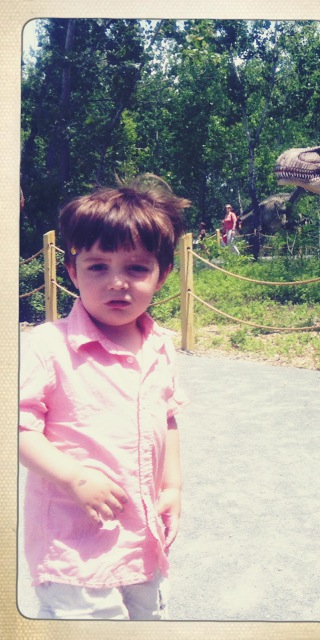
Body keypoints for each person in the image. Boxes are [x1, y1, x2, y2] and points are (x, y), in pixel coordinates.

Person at [19, 174, 191, 620]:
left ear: (162, 275)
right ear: (72, 271)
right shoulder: (49, 346)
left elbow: (168, 418)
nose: (117, 282)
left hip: (142, 539)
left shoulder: (160, 345)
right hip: (73, 546)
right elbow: (17, 429)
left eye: (136, 268)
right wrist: (74, 477)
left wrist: (172, 488)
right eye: (98, 267)